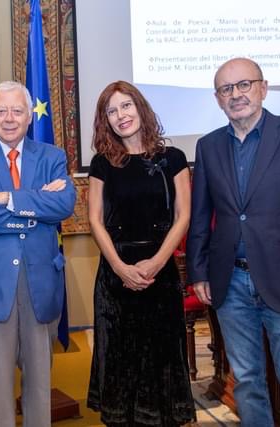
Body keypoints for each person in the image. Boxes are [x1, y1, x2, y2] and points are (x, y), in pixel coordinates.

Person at [186, 58, 280, 426]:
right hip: (230, 284)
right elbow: (201, 217)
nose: (236, 95)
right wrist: (199, 272)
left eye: (244, 85)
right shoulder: (208, 147)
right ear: (218, 99)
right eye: (226, 89)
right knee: (248, 383)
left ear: (263, 88)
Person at [0, 80, 76, 427]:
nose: (9, 118)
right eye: (1, 110)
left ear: (28, 116)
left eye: (17, 110)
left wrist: (7, 199)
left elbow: (63, 204)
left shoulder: (52, 156)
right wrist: (37, 206)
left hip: (40, 280)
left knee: (41, 382)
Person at [87, 81, 195, 426]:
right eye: (112, 110)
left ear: (141, 108)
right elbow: (95, 220)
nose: (121, 115)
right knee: (121, 367)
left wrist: (157, 263)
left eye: (126, 106)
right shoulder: (102, 163)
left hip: (159, 276)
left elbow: (183, 216)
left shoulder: (173, 159)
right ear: (106, 120)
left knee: (161, 364)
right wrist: (120, 268)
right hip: (115, 282)